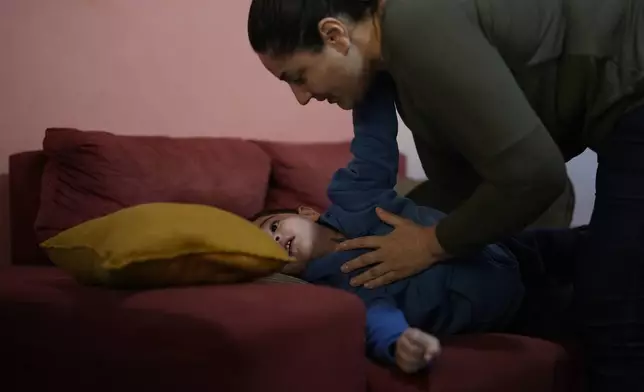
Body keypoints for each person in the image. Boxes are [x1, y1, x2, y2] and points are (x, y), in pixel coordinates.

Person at [247, 0, 644, 389]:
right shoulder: (393, 64)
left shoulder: (412, 27)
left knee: (612, 312)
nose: (302, 96)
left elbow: (536, 176)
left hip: (633, 89)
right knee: (603, 274)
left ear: (334, 35)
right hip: (509, 265)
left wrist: (431, 244)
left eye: (297, 76)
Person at [252, 73, 524, 373]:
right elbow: (375, 317)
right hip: (507, 305)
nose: (274, 240)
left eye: (274, 226)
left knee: (572, 244)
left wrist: (371, 77)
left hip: (503, 243)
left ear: (306, 212)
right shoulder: (338, 289)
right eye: (267, 249)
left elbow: (373, 143)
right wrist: (399, 344)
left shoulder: (353, 195)